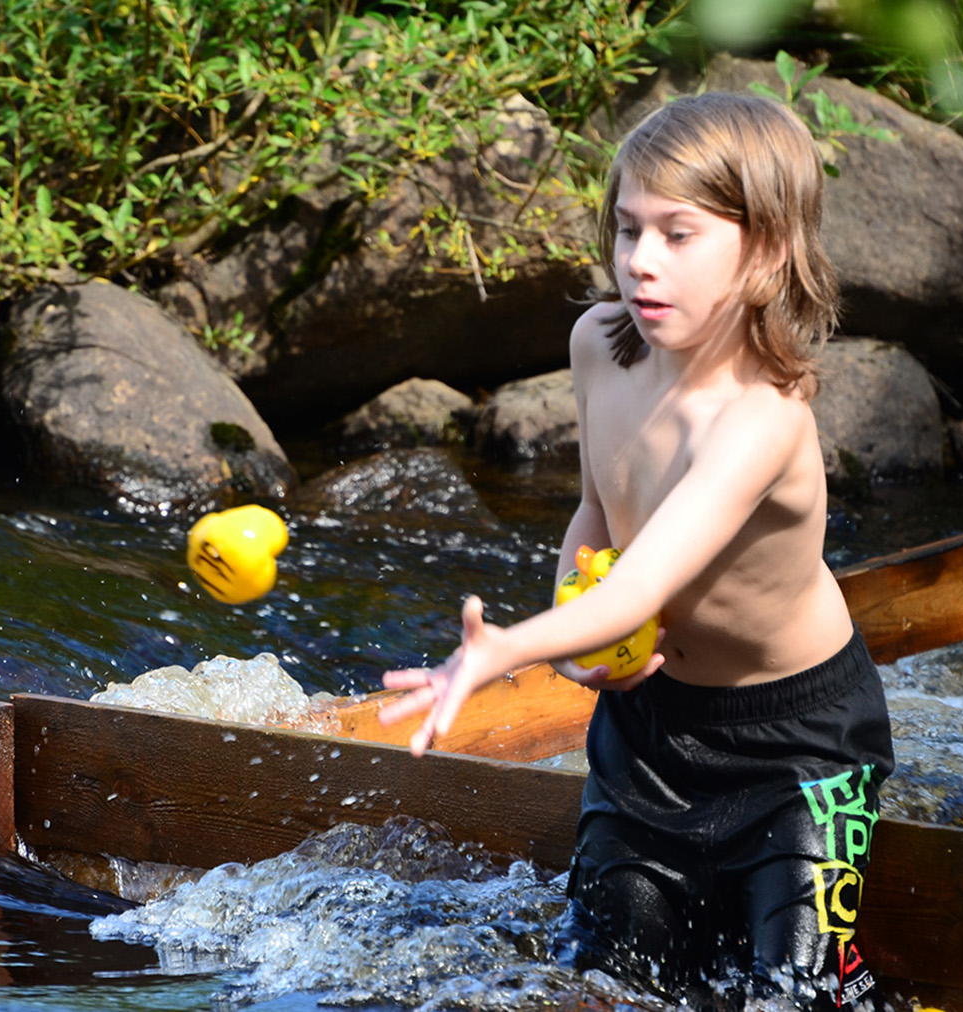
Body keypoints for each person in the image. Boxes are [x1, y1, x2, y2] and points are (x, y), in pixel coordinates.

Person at [381, 91, 894, 1011]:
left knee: (803, 995)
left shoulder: (760, 421)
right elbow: (598, 520)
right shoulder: (599, 349)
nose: (640, 263)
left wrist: (509, 648)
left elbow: (651, 575)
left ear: (767, 250)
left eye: (678, 235)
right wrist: (577, 638)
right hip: (650, 736)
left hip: (801, 754)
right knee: (607, 984)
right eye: (627, 230)